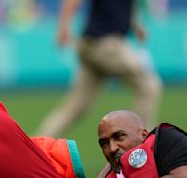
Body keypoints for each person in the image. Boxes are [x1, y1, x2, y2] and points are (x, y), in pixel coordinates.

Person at [36, 0, 162, 137]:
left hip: (90, 44)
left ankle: (37, 144)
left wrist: (135, 25)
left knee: (75, 106)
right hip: (107, 45)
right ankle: (142, 147)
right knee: (149, 87)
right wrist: (63, 28)